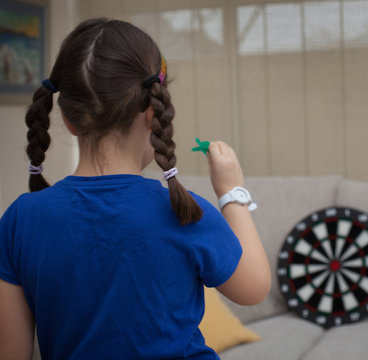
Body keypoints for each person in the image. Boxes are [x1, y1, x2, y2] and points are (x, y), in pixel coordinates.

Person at [0, 18, 270, 360]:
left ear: (67, 118)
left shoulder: (19, 219)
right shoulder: (184, 211)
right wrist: (232, 193)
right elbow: (254, 288)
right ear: (151, 111)